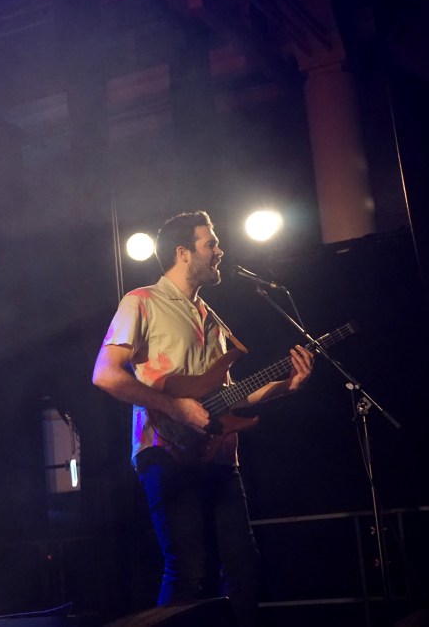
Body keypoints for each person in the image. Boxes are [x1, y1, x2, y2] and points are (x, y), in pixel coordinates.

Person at [92, 211, 313, 627]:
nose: (220, 251)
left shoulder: (212, 318)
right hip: (164, 448)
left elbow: (228, 395)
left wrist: (287, 386)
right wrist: (175, 408)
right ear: (183, 252)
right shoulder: (141, 301)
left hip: (220, 454)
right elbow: (105, 375)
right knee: (188, 569)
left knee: (243, 568)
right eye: (211, 243)